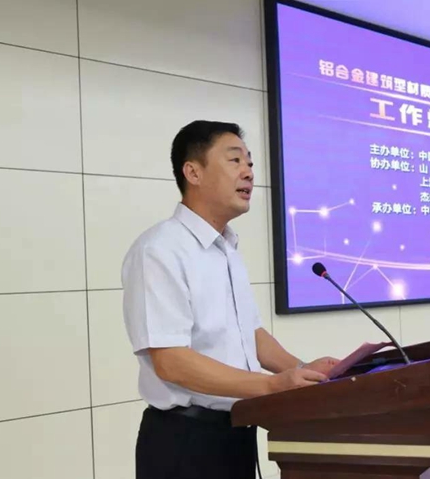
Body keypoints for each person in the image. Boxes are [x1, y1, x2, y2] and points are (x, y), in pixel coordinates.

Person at [121, 120, 339, 479]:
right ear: (193, 172)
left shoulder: (226, 248)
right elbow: (171, 362)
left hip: (236, 433)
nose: (249, 172)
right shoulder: (159, 250)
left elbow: (250, 333)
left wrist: (304, 372)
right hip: (185, 441)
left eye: (250, 163)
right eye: (235, 160)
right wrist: (270, 386)